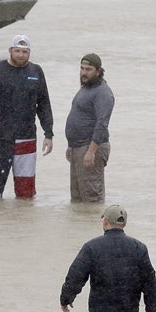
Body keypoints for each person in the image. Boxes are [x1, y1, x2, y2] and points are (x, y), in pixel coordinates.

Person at [60, 204, 156, 312]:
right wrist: (152, 307)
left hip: (101, 311)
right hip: (128, 310)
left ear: (105, 222)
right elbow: (149, 280)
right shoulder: (138, 248)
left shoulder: (92, 247)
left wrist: (66, 298)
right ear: (123, 224)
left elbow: (76, 275)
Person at [0, 33, 54, 198]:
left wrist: (48, 134)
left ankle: (24, 222)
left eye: (25, 52)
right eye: (17, 51)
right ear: (10, 50)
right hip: (0, 139)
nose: (21, 55)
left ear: (29, 53)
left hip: (26, 138)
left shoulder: (36, 71)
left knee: (26, 195)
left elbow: (44, 105)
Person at [65, 53, 115, 203]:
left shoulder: (103, 92)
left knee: (92, 199)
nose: (84, 72)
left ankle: (94, 226)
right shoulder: (86, 89)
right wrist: (70, 146)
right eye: (82, 68)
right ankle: (80, 227)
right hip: (78, 147)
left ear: (98, 71)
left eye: (89, 69)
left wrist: (91, 152)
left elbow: (102, 124)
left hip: (91, 148)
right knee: (77, 199)